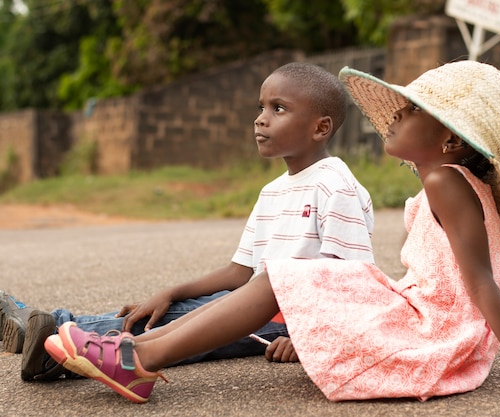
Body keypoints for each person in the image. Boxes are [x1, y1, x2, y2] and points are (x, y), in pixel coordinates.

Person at [44, 61, 500, 404]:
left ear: (450, 141)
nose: (394, 120)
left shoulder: (444, 182)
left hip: (434, 332)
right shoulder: (447, 179)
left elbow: (480, 286)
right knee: (278, 279)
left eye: (409, 114)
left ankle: (135, 359)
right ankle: (132, 352)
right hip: (421, 314)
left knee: (283, 279)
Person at [3, 61, 375, 382]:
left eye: (278, 109)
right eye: (261, 106)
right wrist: (173, 291)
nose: (260, 118)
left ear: (320, 128)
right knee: (171, 312)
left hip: (284, 320)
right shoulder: (272, 191)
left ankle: (53, 336)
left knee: (186, 328)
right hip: (248, 303)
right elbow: (238, 272)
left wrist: (310, 336)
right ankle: (56, 337)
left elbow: (350, 280)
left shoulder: (334, 184)